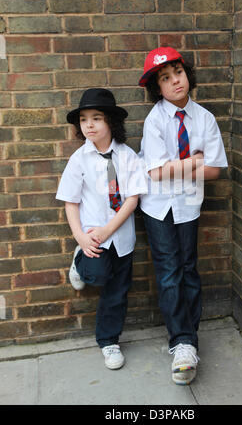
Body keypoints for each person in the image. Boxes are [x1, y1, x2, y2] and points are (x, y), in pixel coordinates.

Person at [138, 47, 228, 385]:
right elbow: (158, 174)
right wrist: (194, 162)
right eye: (165, 78)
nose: (174, 80)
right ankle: (181, 344)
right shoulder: (155, 120)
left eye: (178, 72)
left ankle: (190, 339)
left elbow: (216, 169)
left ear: (187, 74)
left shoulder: (204, 118)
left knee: (189, 268)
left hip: (189, 205)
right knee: (168, 272)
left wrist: (182, 168)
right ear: (157, 88)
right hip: (158, 206)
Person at [56, 88, 147, 370]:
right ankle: (80, 260)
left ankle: (109, 342)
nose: (89, 125)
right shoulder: (79, 160)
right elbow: (70, 202)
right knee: (96, 276)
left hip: (120, 236)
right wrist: (81, 238)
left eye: (96, 118)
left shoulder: (128, 156)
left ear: (111, 122)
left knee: (117, 290)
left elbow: (132, 199)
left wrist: (109, 229)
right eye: (84, 119)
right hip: (92, 237)